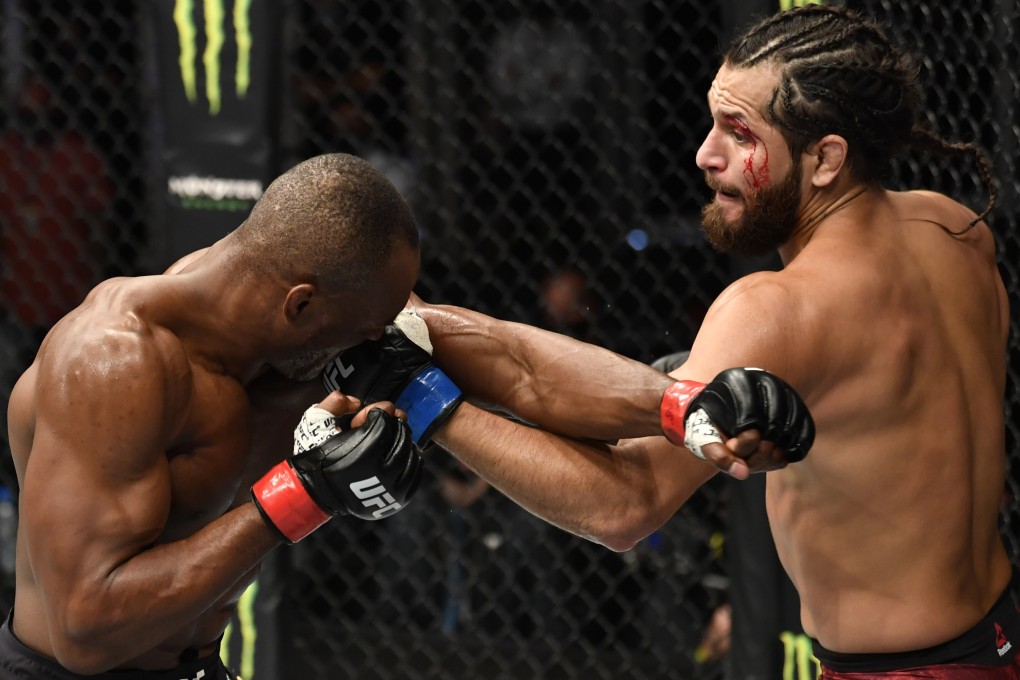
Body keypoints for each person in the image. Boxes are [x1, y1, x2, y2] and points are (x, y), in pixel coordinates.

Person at [327, 5, 1013, 677]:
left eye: (739, 133)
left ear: (825, 159)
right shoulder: (954, 230)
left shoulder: (777, 311)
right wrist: (421, 323)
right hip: (997, 639)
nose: (705, 155)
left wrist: (422, 398)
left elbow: (623, 507)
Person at [2, 153, 425, 678]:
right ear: (299, 305)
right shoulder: (115, 363)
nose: (372, 341)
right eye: (365, 327)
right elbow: (84, 631)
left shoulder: (257, 314)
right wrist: (306, 491)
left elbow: (424, 331)